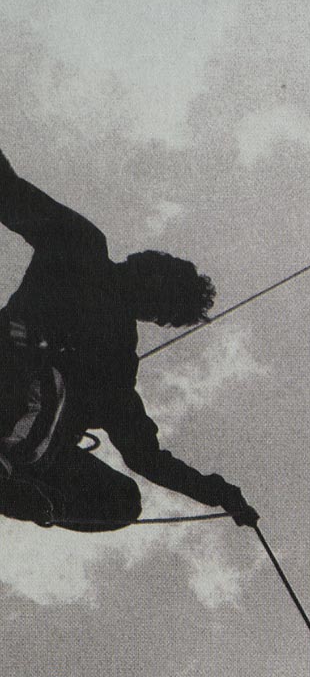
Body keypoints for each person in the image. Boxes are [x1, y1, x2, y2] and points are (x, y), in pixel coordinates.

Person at [0, 142, 257, 533]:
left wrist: (215, 491)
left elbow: (144, 455)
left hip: (30, 444)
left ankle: (22, 492)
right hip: (10, 374)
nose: (152, 283)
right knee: (41, 374)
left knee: (121, 499)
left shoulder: (116, 360)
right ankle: (15, 481)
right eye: (162, 273)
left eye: (164, 300)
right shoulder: (80, 247)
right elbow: (10, 193)